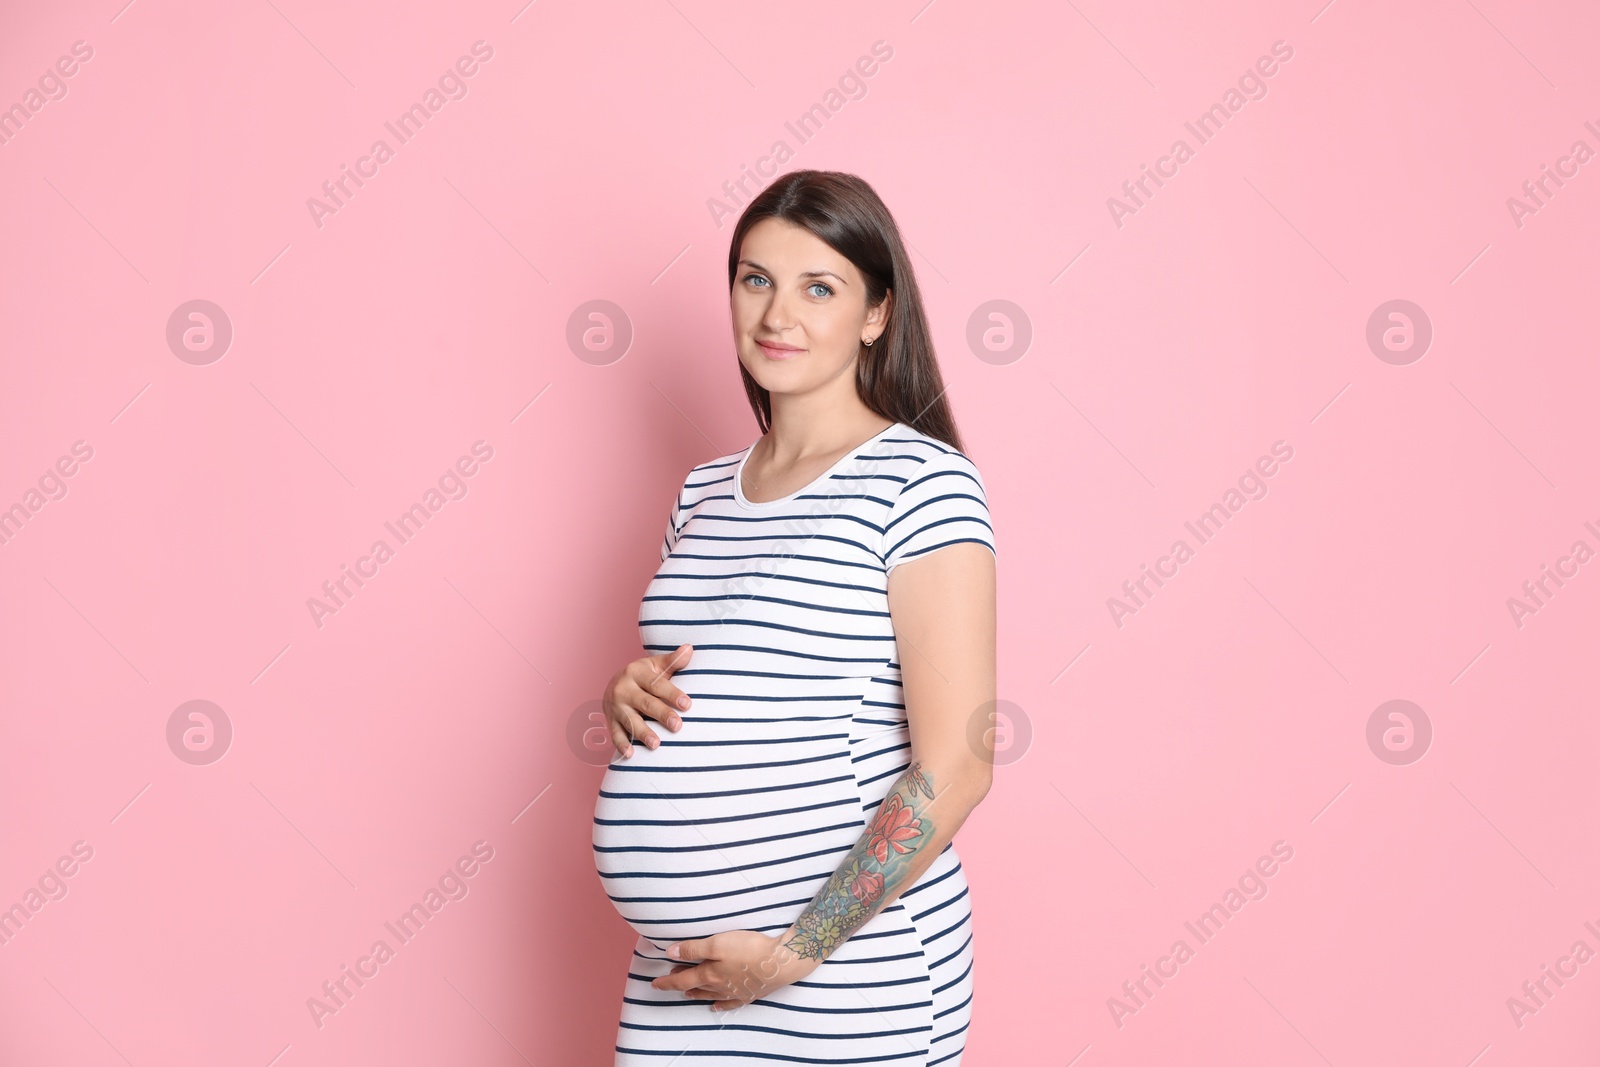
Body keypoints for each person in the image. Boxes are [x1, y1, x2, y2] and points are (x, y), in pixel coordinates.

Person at [593, 169, 998, 1066]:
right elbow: (733, 685)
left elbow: (960, 763)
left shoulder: (920, 486)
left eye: (820, 287)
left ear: (876, 313)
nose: (777, 315)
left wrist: (797, 951)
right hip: (676, 980)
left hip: (846, 977)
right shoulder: (702, 492)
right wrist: (628, 692)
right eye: (755, 279)